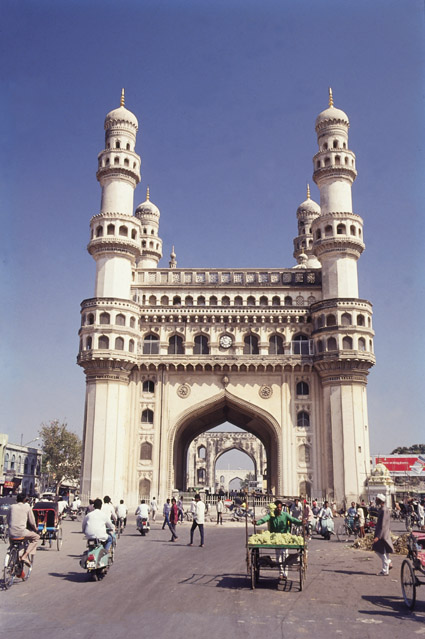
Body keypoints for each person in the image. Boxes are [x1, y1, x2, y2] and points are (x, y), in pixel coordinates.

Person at [255, 500, 302, 581]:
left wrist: (301, 523)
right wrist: (257, 522)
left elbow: (293, 520)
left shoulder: (285, 515)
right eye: (278, 508)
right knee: (278, 557)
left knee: (285, 555)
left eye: (280, 507)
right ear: (275, 508)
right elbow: (264, 519)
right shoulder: (271, 515)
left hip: (284, 538)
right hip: (275, 538)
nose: (279, 509)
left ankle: (285, 574)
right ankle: (280, 573)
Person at [7, 493, 40, 566]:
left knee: (14, 544)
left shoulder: (11, 507)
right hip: (22, 532)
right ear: (25, 500)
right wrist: (35, 528)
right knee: (36, 537)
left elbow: (8, 519)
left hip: (11, 532)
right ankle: (25, 556)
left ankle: (13, 560)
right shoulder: (27, 507)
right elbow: (32, 521)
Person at [373, 494, 394, 576]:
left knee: (380, 551)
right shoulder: (383, 509)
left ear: (380, 500)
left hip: (382, 534)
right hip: (384, 533)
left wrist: (378, 536)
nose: (376, 500)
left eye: (377, 499)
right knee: (385, 551)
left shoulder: (383, 510)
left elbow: (382, 525)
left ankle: (385, 569)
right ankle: (387, 564)